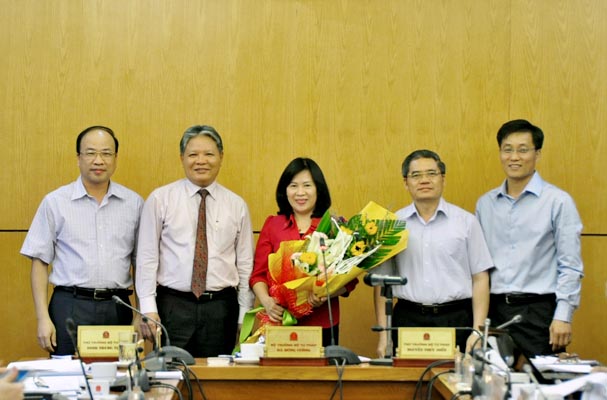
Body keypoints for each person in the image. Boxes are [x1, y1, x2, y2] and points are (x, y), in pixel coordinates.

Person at [20, 126, 143, 356]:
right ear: (78, 158)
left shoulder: (134, 203)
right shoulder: (55, 202)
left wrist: (139, 313)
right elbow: (39, 262)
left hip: (117, 306)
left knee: (120, 373)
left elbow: (141, 264)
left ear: (115, 158)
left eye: (106, 153)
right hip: (70, 304)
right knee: (68, 374)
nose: (99, 160)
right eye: (90, 153)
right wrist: (42, 318)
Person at [136, 125, 255, 357]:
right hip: (172, 306)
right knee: (171, 372)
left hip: (221, 308)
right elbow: (147, 258)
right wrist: (148, 308)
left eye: (209, 154)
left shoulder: (236, 205)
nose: (201, 161)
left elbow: (245, 264)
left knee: (220, 375)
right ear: (182, 157)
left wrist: (244, 314)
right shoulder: (160, 199)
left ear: (221, 157)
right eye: (193, 154)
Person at [476, 119, 584, 357]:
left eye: (523, 150)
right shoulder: (485, 204)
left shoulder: (558, 201)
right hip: (495, 311)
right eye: (507, 149)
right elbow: (479, 266)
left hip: (539, 312)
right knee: (492, 378)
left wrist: (563, 316)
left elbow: (570, 265)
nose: (514, 157)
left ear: (537, 154)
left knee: (539, 379)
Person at [373, 150, 492, 357]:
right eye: (416, 175)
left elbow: (480, 278)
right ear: (406, 182)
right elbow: (382, 283)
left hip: (456, 318)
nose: (424, 180)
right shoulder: (393, 225)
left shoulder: (466, 222)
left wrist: (478, 331)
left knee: (456, 377)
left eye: (431, 173)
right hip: (408, 318)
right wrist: (384, 335)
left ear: (443, 179)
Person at [249, 157, 358, 347]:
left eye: (307, 185)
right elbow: (258, 275)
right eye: (293, 186)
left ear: (318, 189)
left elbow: (349, 281)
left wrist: (325, 294)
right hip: (280, 319)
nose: (300, 193)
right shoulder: (273, 225)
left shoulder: (335, 226)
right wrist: (267, 302)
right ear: (285, 190)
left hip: (322, 321)